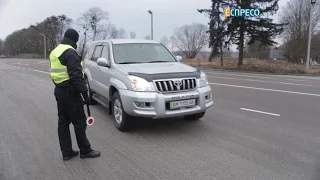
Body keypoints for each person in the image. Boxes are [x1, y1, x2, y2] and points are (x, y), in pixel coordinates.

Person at [49, 29, 100, 161]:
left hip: (59, 90)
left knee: (63, 122)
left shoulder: (55, 51)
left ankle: (66, 152)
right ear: (74, 40)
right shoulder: (70, 52)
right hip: (70, 91)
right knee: (79, 122)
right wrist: (85, 93)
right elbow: (76, 75)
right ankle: (85, 150)